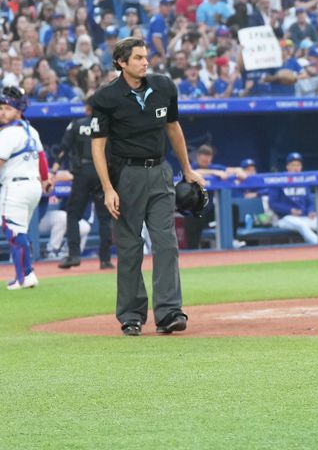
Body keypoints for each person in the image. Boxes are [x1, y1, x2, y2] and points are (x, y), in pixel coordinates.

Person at [90, 37, 206, 336]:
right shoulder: (106, 97)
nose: (145, 62)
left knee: (166, 243)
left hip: (160, 172)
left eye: (146, 57)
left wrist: (187, 169)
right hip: (125, 176)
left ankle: (169, 313)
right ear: (121, 63)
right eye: (139, 58)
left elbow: (173, 128)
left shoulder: (164, 87)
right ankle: (131, 315)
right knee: (130, 248)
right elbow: (98, 147)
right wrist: (108, 188)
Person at [51, 96, 113, 270]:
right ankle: (105, 260)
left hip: (83, 173)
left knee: (73, 215)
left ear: (87, 109)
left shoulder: (76, 125)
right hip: (102, 173)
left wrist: (52, 172)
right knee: (104, 219)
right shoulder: (107, 126)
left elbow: (63, 149)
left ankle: (74, 255)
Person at [1, 86, 51, 290]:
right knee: (19, 231)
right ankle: (25, 273)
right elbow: (42, 158)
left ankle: (25, 276)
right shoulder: (31, 129)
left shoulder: (8, 133)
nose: (2, 112)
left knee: (12, 230)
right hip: (32, 186)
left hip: (16, 186)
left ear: (18, 110)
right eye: (1, 108)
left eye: (7, 108)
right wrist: (46, 180)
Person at [266, 152, 318, 244]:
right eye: (293, 165)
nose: (296, 168)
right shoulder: (278, 180)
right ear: (287, 167)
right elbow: (273, 203)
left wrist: (310, 211)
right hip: (285, 218)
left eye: (298, 165)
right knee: (301, 225)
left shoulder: (304, 180)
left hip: (304, 217)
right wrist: (290, 210)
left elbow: (309, 201)